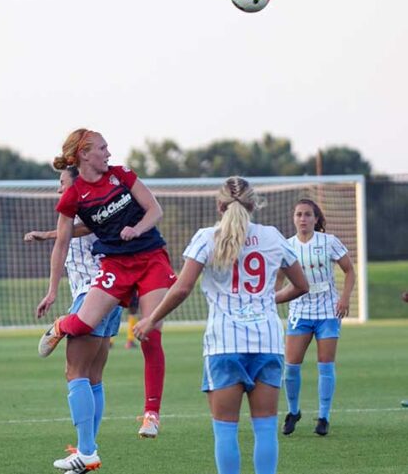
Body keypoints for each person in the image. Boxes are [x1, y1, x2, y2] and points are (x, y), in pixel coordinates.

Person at [133, 176, 309, 474]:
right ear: (254, 205)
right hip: (267, 342)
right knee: (265, 429)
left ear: (219, 206)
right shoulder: (273, 236)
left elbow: (182, 289)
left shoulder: (206, 237)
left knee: (226, 430)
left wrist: (151, 319)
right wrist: (265, 300)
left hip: (224, 344)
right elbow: (301, 285)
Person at [36, 128, 177, 447]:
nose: (109, 152)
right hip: (116, 265)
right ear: (84, 154)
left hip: (151, 257)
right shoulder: (73, 197)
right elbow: (62, 242)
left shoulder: (121, 174)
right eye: (102, 147)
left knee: (151, 331)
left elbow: (154, 209)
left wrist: (137, 228)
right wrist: (52, 291)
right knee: (82, 324)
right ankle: (61, 325)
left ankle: (151, 414)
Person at [25, 166, 123, 473]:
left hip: (93, 294)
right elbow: (66, 243)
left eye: (62, 183)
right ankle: (86, 450)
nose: (59, 190)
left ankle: (87, 450)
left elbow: (81, 229)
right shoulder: (99, 206)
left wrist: (50, 233)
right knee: (93, 376)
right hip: (111, 294)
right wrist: (52, 290)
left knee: (75, 372)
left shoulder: (91, 208)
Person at [277, 199, 355, 437]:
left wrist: (344, 298)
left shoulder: (328, 242)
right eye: (299, 214)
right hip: (300, 312)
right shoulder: (287, 246)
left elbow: (349, 270)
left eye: (308, 214)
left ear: (316, 219)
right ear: (293, 218)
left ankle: (323, 417)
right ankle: (293, 412)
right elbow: (278, 279)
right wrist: (273, 299)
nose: (303, 219)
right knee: (290, 367)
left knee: (325, 365)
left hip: (327, 313)